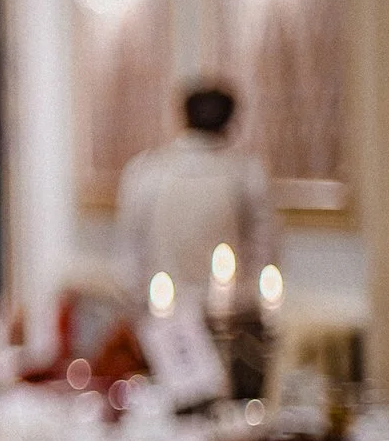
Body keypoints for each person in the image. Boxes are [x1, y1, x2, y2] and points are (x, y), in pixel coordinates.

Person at [114, 78, 277, 306]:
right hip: (223, 315)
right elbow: (264, 253)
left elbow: (130, 259)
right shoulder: (246, 174)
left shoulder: (146, 171)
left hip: (167, 314)